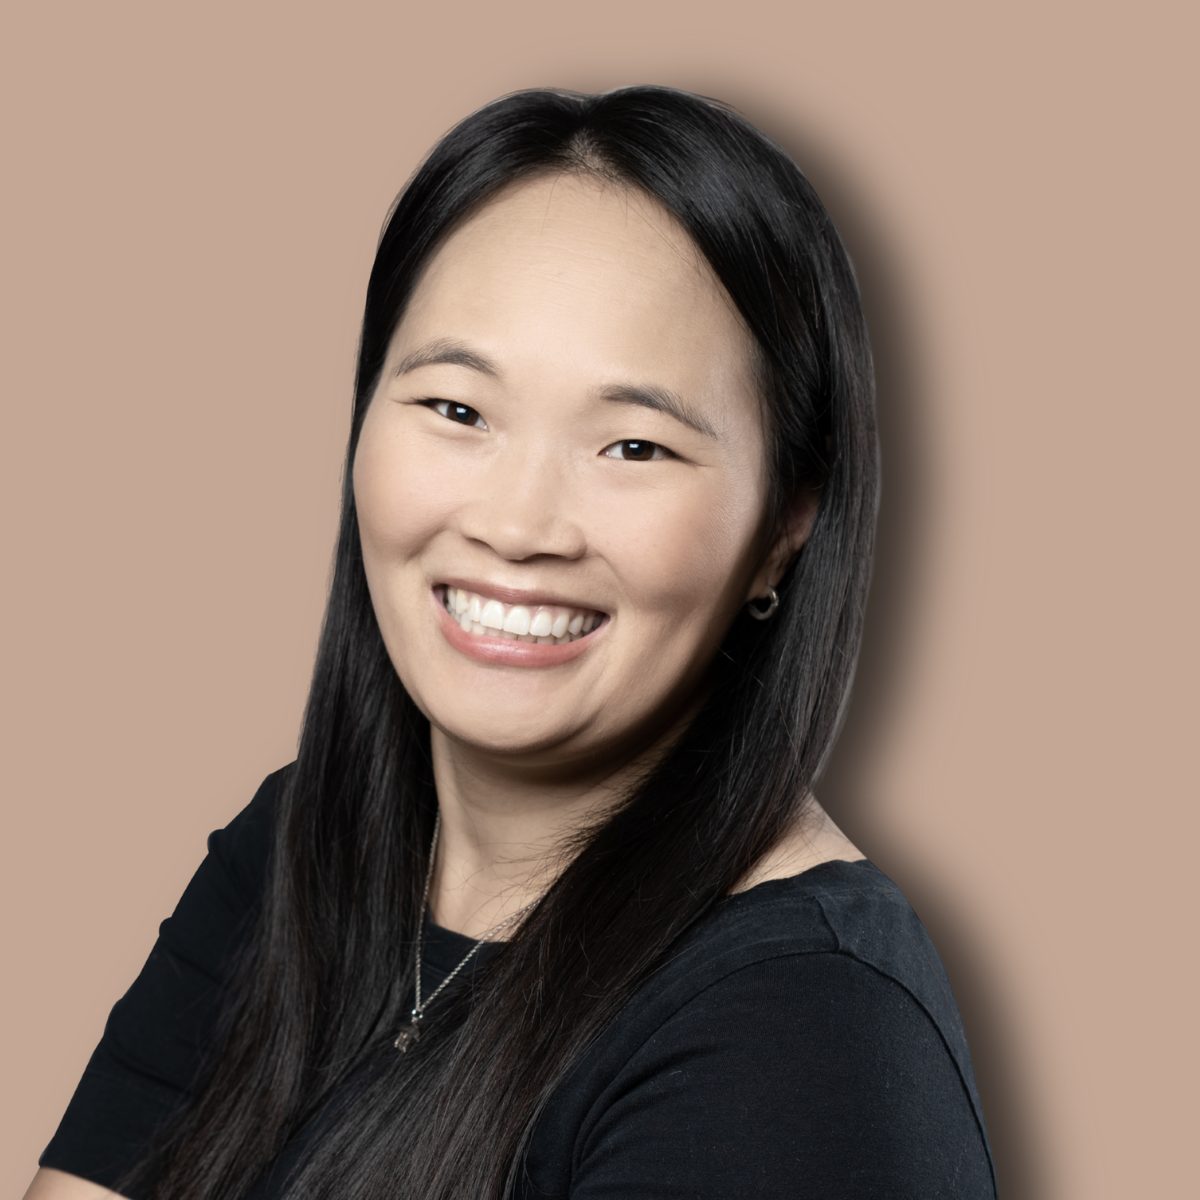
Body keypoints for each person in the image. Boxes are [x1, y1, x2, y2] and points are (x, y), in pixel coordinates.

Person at [25, 84, 998, 1198]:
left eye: (633, 446)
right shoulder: (305, 843)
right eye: (457, 411)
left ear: (785, 526)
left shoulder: (801, 1034)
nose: (516, 525)